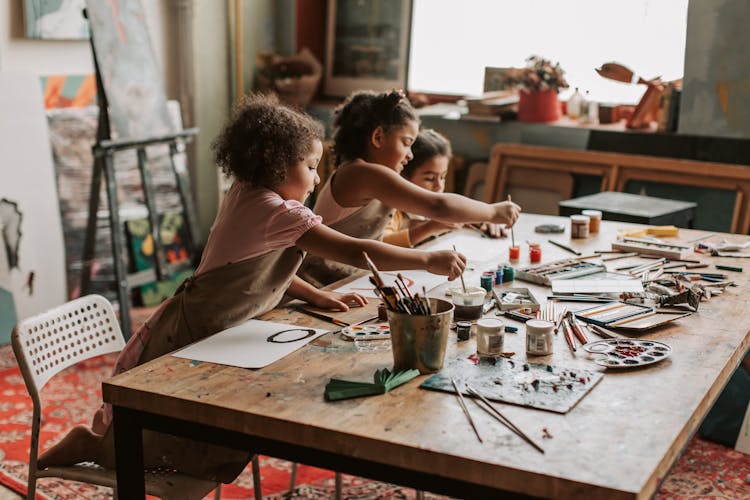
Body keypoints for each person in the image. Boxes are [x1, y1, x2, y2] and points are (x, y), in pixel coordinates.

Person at [37, 94, 466, 482]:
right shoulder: (274, 211)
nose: (317, 180)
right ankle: (93, 445)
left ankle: (102, 443)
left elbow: (257, 267)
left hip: (218, 324)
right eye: (311, 167)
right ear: (278, 165)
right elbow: (355, 251)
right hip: (198, 329)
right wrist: (427, 259)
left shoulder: (247, 193)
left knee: (206, 433)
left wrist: (315, 295)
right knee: (180, 430)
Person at [299, 90, 521, 286]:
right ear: (377, 137)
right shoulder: (361, 174)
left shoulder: (366, 175)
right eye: (406, 143)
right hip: (320, 285)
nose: (410, 155)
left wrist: (479, 220)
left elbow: (423, 215)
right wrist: (493, 211)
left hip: (347, 281)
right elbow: (438, 205)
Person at [382, 128, 505, 248]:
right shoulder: (391, 209)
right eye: (430, 179)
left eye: (443, 177)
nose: (439, 186)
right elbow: (382, 243)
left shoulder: (438, 206)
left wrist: (484, 220)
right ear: (404, 177)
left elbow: (461, 215)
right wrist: (430, 227)